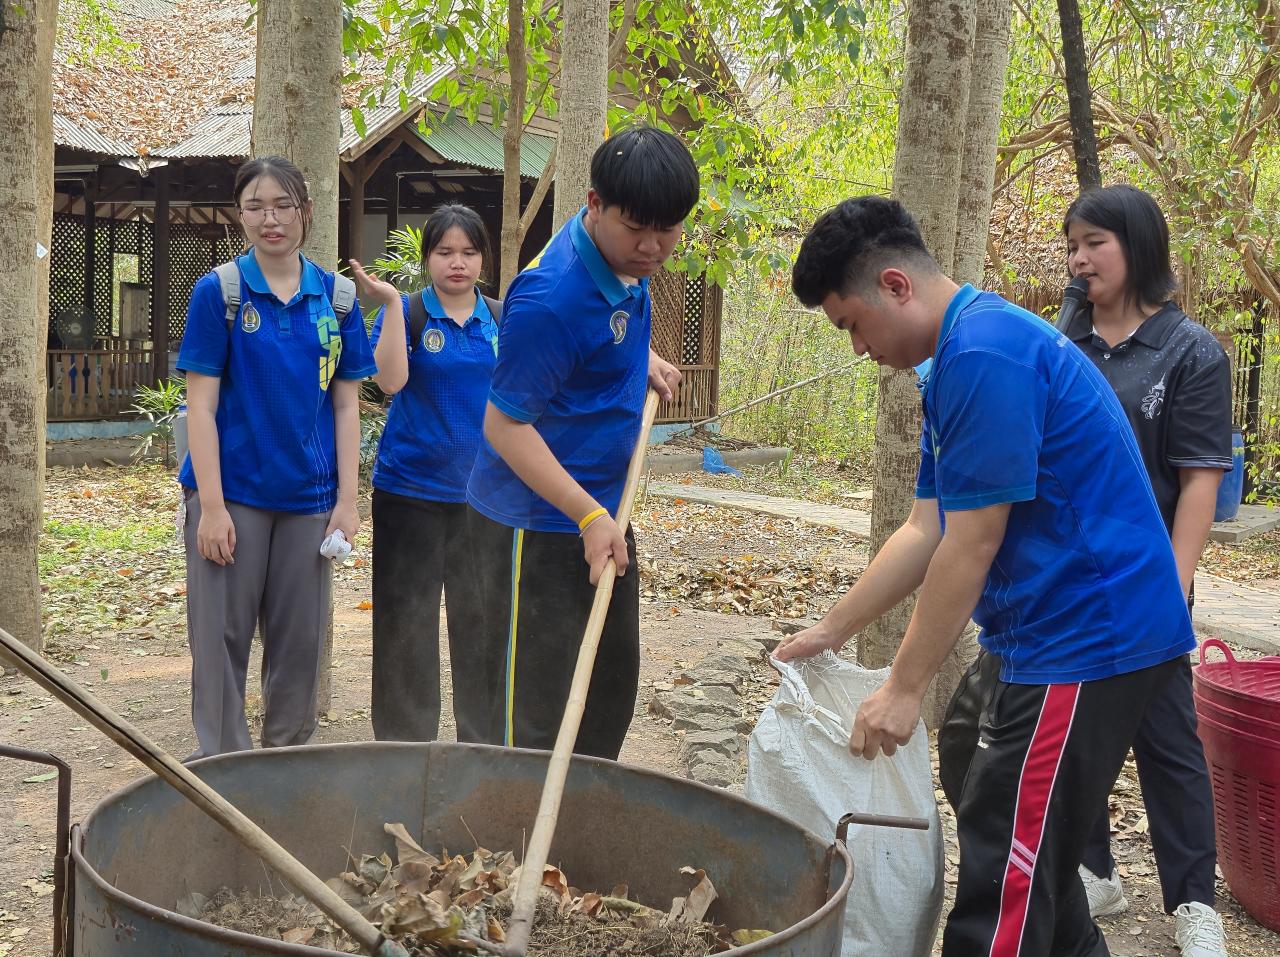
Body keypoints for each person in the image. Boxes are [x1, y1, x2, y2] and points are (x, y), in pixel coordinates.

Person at [776, 195, 1195, 957]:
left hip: (1090, 632)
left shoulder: (985, 355)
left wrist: (904, 687)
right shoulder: (957, 358)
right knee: (979, 763)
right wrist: (832, 629)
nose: (858, 348)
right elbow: (924, 527)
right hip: (1041, 628)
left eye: (851, 325)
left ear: (896, 286)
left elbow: (971, 544)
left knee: (1007, 859)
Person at [464, 125, 696, 757]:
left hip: (601, 515)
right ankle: (512, 846)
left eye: (668, 230)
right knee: (532, 719)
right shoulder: (550, 300)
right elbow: (504, 426)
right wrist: (586, 514)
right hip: (534, 528)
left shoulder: (625, 261)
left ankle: (580, 839)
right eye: (637, 229)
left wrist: (639, 357)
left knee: (607, 694)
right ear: (594, 205)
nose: (652, 247)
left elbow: (603, 331)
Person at [1061, 185, 1230, 954]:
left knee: (1168, 736)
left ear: (1137, 245)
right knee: (1075, 728)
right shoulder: (1065, 340)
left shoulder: (1191, 351)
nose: (1079, 258)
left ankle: (1194, 899)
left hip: (1150, 575)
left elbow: (1198, 478)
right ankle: (1094, 867)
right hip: (1067, 574)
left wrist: (1172, 582)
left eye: (1094, 242)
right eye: (1071, 245)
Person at [177, 155, 376, 759]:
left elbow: (346, 408)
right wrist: (210, 507)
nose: (270, 219)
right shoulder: (221, 293)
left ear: (306, 213)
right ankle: (226, 770)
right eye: (256, 206)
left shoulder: (337, 301)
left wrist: (347, 501)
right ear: (240, 214)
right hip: (232, 495)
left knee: (298, 646)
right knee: (221, 641)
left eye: (282, 205)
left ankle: (285, 766)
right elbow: (201, 409)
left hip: (308, 503)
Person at [349, 204, 500, 743]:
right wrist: (390, 302)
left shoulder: (502, 319)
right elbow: (389, 382)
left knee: (480, 626)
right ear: (427, 258)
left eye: (467, 252)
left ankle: (481, 748)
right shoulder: (408, 313)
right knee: (403, 624)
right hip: (408, 495)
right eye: (444, 252)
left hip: (484, 500)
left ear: (483, 257)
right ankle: (402, 747)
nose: (456, 263)